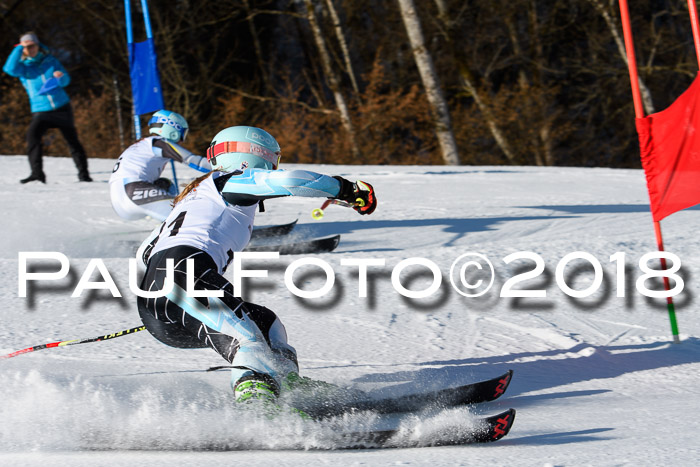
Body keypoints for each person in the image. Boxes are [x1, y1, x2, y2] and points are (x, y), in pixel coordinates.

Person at [136, 125, 377, 408]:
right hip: (185, 277)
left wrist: (166, 298)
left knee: (266, 324)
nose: (274, 166)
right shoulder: (230, 181)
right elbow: (291, 180)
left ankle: (286, 385)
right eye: (272, 159)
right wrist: (347, 189)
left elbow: (145, 253)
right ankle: (257, 411)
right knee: (247, 340)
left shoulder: (193, 196)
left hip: (160, 300)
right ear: (253, 156)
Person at [3, 32, 92, 184]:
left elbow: (66, 81)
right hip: (41, 111)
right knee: (32, 139)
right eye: (26, 47)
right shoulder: (23, 68)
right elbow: (9, 69)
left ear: (38, 46)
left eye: (32, 46)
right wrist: (19, 48)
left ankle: (84, 175)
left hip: (62, 107)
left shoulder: (50, 61)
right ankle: (37, 175)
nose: (30, 49)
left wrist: (60, 77)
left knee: (73, 141)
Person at [109, 110, 210, 222]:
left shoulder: (140, 145)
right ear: (174, 130)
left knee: (165, 184)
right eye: (183, 134)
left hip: (119, 200)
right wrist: (226, 166)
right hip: (133, 191)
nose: (182, 140)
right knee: (185, 220)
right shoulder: (159, 142)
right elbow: (195, 161)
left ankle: (163, 227)